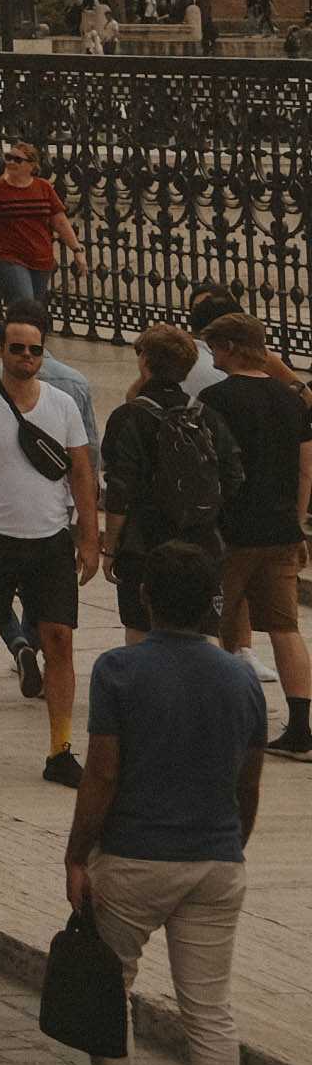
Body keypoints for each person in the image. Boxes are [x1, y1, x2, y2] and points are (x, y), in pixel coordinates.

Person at [67, 543, 267, 1065]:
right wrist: (232, 843)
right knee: (209, 1012)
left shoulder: (118, 670)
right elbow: (248, 786)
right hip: (217, 862)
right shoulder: (242, 679)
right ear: (212, 603)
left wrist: (76, 856)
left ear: (145, 596)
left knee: (111, 993)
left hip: (134, 857)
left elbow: (101, 774)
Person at [0, 315, 105, 784]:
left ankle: (60, 748)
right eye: (17, 349)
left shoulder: (61, 405)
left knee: (59, 638)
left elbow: (81, 472)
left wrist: (89, 537)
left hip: (50, 540)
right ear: (1, 350)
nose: (27, 358)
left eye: (34, 350)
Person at [195, 316, 312, 761]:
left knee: (223, 625)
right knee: (285, 628)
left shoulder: (214, 399)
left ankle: (233, 720)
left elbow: (207, 468)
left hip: (231, 532)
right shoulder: (291, 401)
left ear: (229, 347)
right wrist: (296, 522)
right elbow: (306, 468)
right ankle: (300, 726)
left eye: (215, 349)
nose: (213, 357)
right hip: (280, 530)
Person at [105, 326, 248, 637]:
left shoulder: (127, 417)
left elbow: (119, 490)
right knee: (198, 629)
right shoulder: (206, 415)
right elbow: (234, 475)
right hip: (200, 541)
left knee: (140, 628)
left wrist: (109, 547)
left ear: (145, 362)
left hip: (144, 541)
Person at [0, 139, 75, 330]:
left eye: (17, 160)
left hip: (39, 257)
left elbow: (60, 221)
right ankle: (21, 347)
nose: (11, 162)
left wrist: (77, 250)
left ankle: (17, 341)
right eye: (9, 158)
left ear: (31, 165)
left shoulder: (44, 188)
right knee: (25, 306)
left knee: (33, 310)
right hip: (7, 256)